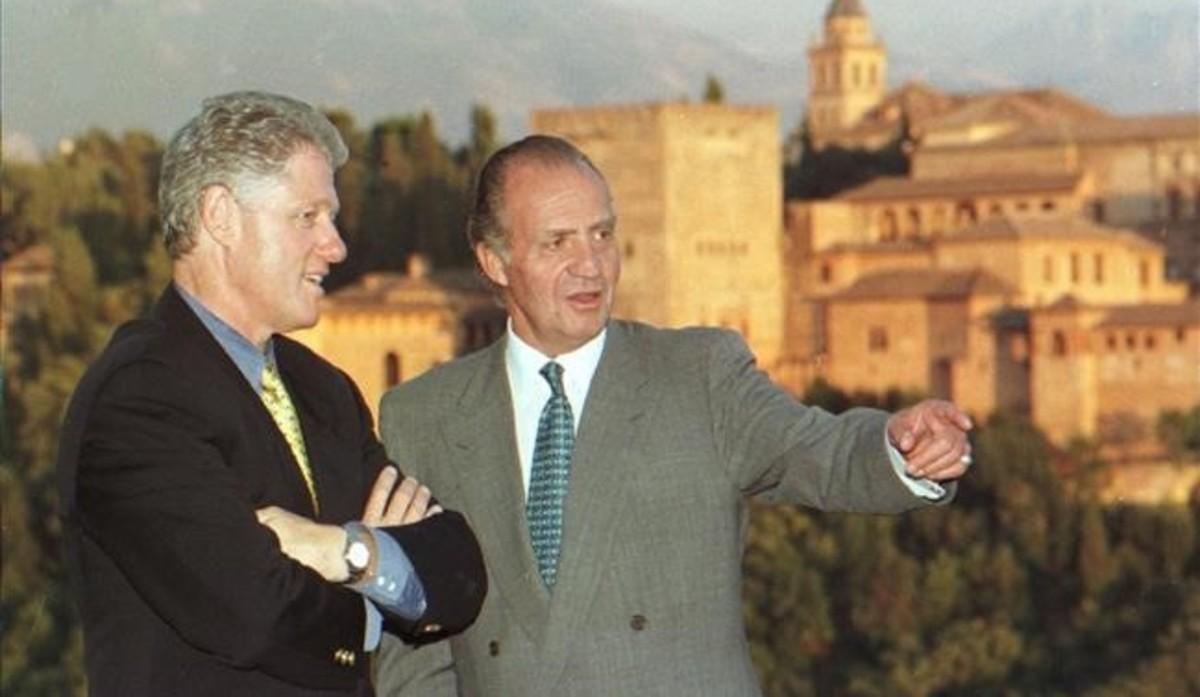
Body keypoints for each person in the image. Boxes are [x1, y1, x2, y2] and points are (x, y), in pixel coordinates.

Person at [374, 134, 975, 696]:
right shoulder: (422, 417)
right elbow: (415, 640)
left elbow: (817, 450)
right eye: (558, 242)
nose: (591, 265)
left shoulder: (698, 373)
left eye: (603, 235)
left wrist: (898, 449)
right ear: (495, 262)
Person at [58, 91, 487, 697]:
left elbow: (459, 571)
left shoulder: (324, 390)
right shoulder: (136, 401)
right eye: (307, 217)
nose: (335, 245)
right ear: (220, 217)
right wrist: (378, 587)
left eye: (330, 218)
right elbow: (256, 614)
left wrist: (342, 550)